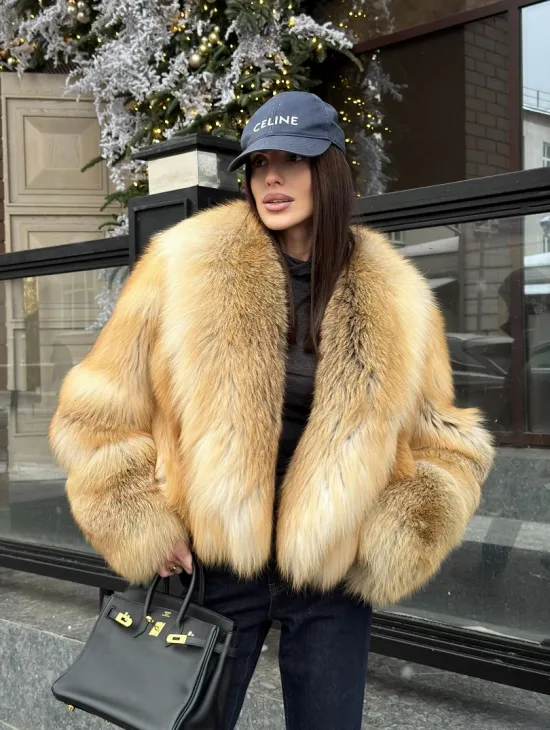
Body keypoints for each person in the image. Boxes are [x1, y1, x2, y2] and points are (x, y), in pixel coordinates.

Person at [49, 91, 494, 730]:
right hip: (214, 565)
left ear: (329, 170)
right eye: (259, 164)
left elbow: (445, 441)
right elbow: (95, 413)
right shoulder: (185, 265)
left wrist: (396, 532)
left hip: (331, 574)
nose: (272, 179)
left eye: (293, 160)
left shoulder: (396, 294)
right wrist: (142, 518)